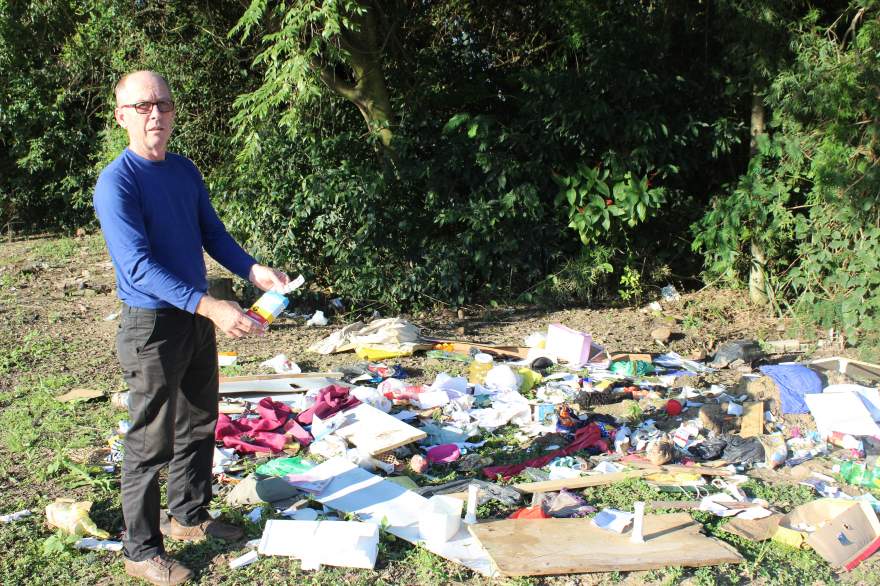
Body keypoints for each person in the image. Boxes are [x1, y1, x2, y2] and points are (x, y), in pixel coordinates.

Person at [93, 70, 289, 586]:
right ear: (122, 117)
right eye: (141, 106)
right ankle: (140, 550)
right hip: (151, 326)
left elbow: (211, 233)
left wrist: (252, 270)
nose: (154, 114)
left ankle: (190, 516)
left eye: (162, 104)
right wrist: (211, 306)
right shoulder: (118, 182)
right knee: (149, 441)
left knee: (200, 421)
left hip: (194, 315)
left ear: (174, 112)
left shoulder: (183, 170)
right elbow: (137, 266)